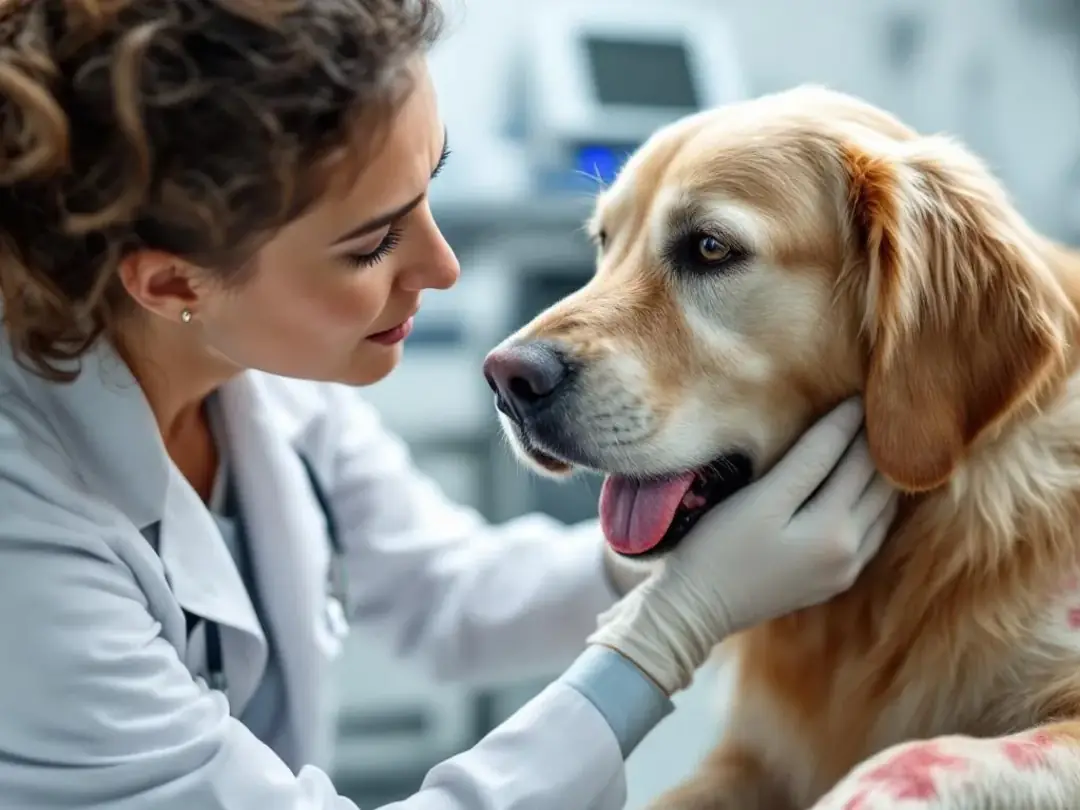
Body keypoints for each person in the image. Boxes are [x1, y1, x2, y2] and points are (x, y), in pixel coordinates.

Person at [0, 1, 899, 808]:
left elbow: (447, 592)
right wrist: (665, 636)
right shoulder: (25, 528)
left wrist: (676, 560)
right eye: (371, 244)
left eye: (429, 186)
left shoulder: (253, 378)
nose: (443, 267)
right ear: (172, 283)